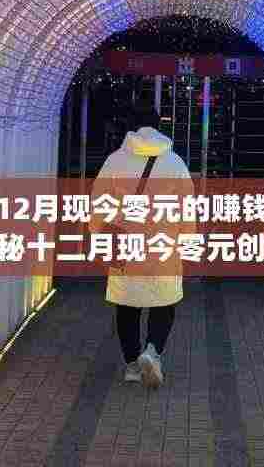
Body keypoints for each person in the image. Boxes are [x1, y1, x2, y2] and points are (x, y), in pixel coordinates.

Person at [89, 102, 195, 388]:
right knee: (164, 302)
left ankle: (132, 365)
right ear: (159, 126)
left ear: (131, 128)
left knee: (127, 304)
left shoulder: (115, 160)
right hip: (164, 245)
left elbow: (98, 200)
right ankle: (152, 350)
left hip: (126, 244)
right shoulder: (175, 163)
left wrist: (98, 233)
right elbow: (187, 206)